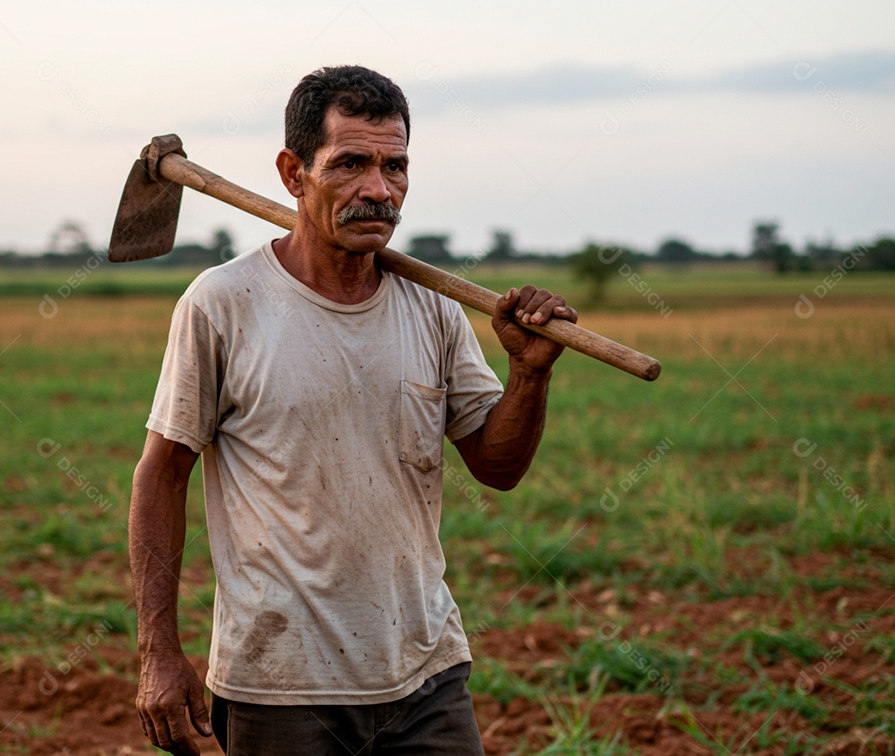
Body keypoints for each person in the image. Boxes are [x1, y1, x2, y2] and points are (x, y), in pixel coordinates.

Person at [129, 65, 577, 755]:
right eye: (350, 165)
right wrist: (158, 652)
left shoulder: (433, 306)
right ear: (292, 172)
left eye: (395, 166)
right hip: (279, 688)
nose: (379, 189)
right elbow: (161, 473)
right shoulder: (223, 303)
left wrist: (528, 373)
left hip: (428, 674)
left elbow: (497, 466)